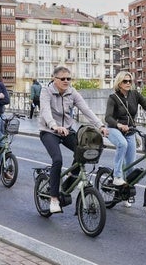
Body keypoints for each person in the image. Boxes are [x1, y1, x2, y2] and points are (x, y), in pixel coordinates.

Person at [39, 66, 108, 214]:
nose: (66, 81)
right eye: (62, 79)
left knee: (85, 150)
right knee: (57, 160)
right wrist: (54, 126)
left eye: (68, 79)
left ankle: (71, 177)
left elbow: (86, 109)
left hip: (67, 130)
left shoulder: (72, 92)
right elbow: (45, 111)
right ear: (54, 79)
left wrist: (100, 125)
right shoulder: (46, 91)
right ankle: (53, 199)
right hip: (49, 131)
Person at [104, 71, 146, 206]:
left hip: (130, 131)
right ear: (119, 83)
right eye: (125, 81)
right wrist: (119, 125)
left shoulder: (135, 95)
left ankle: (125, 194)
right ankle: (116, 176)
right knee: (122, 144)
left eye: (129, 81)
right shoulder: (113, 97)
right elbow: (108, 117)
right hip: (114, 129)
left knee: (130, 166)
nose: (128, 83)